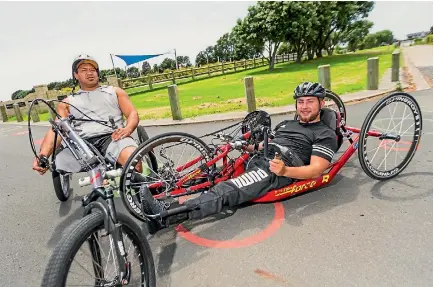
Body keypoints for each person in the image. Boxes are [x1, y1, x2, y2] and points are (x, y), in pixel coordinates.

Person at [142, 81, 339, 233]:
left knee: (228, 189)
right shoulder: (288, 123)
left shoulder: (324, 133)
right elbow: (264, 144)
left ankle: (164, 217)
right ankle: (158, 186)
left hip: (276, 167)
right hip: (262, 155)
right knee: (211, 172)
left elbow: (317, 169)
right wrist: (246, 146)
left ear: (321, 103)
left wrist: (285, 170)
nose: (304, 107)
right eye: (301, 102)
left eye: (310, 101)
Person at [32, 54, 140, 175]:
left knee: (134, 160)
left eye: (92, 70)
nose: (90, 73)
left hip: (113, 137)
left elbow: (132, 113)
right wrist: (43, 155)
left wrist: (128, 129)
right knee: (60, 162)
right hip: (84, 144)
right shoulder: (67, 103)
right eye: (84, 70)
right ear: (76, 75)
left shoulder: (115, 92)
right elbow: (56, 130)